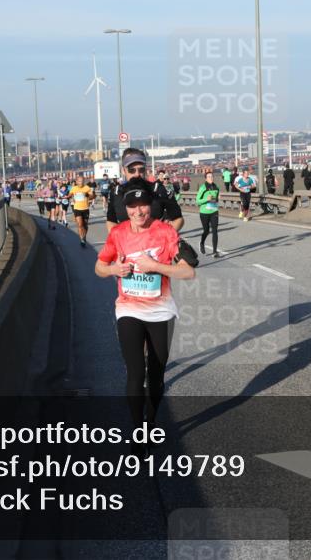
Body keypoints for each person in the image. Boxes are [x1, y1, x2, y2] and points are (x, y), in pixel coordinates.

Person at [95, 182, 196, 447]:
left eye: (143, 205)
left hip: (161, 309)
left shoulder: (164, 232)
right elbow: (99, 267)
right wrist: (114, 270)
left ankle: (150, 423)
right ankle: (138, 432)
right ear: (125, 208)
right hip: (128, 307)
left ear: (150, 206)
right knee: (136, 372)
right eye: (132, 206)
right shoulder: (117, 233)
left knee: (156, 374)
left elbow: (188, 272)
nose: (138, 211)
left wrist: (157, 266)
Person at [106, 149, 184, 234]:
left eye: (141, 170)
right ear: (123, 171)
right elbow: (111, 221)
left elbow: (178, 219)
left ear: (145, 169)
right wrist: (119, 239)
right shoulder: (116, 192)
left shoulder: (158, 189)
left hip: (155, 244)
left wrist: (165, 236)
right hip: (127, 245)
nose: (137, 174)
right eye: (131, 170)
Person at [196, 171, 221, 258]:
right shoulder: (203, 188)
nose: (211, 178)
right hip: (204, 212)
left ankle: (215, 251)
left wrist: (217, 199)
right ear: (206, 178)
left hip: (214, 211)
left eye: (212, 176)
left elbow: (216, 199)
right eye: (209, 177)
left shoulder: (216, 187)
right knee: (206, 231)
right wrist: (206, 199)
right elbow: (198, 201)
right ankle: (202, 242)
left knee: (215, 230)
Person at [70, 174, 95, 248]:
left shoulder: (87, 187)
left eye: (82, 181)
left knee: (85, 225)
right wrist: (72, 198)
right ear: (77, 182)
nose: (81, 182)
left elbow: (92, 196)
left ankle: (84, 236)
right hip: (77, 208)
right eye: (80, 181)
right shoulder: (73, 188)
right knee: (80, 225)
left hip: (85, 208)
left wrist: (89, 195)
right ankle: (82, 239)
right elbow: (71, 195)